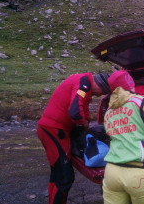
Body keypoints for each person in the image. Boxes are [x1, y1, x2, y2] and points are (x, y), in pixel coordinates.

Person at [37, 72, 110, 204]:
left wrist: (86, 121)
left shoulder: (83, 84)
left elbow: (82, 106)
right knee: (65, 177)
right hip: (54, 131)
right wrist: (83, 122)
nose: (100, 95)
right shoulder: (84, 84)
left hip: (51, 129)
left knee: (57, 173)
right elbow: (75, 111)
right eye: (102, 91)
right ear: (99, 83)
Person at [102, 70, 144, 204]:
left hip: (111, 172)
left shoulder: (108, 111)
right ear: (130, 84)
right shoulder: (141, 102)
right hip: (140, 173)